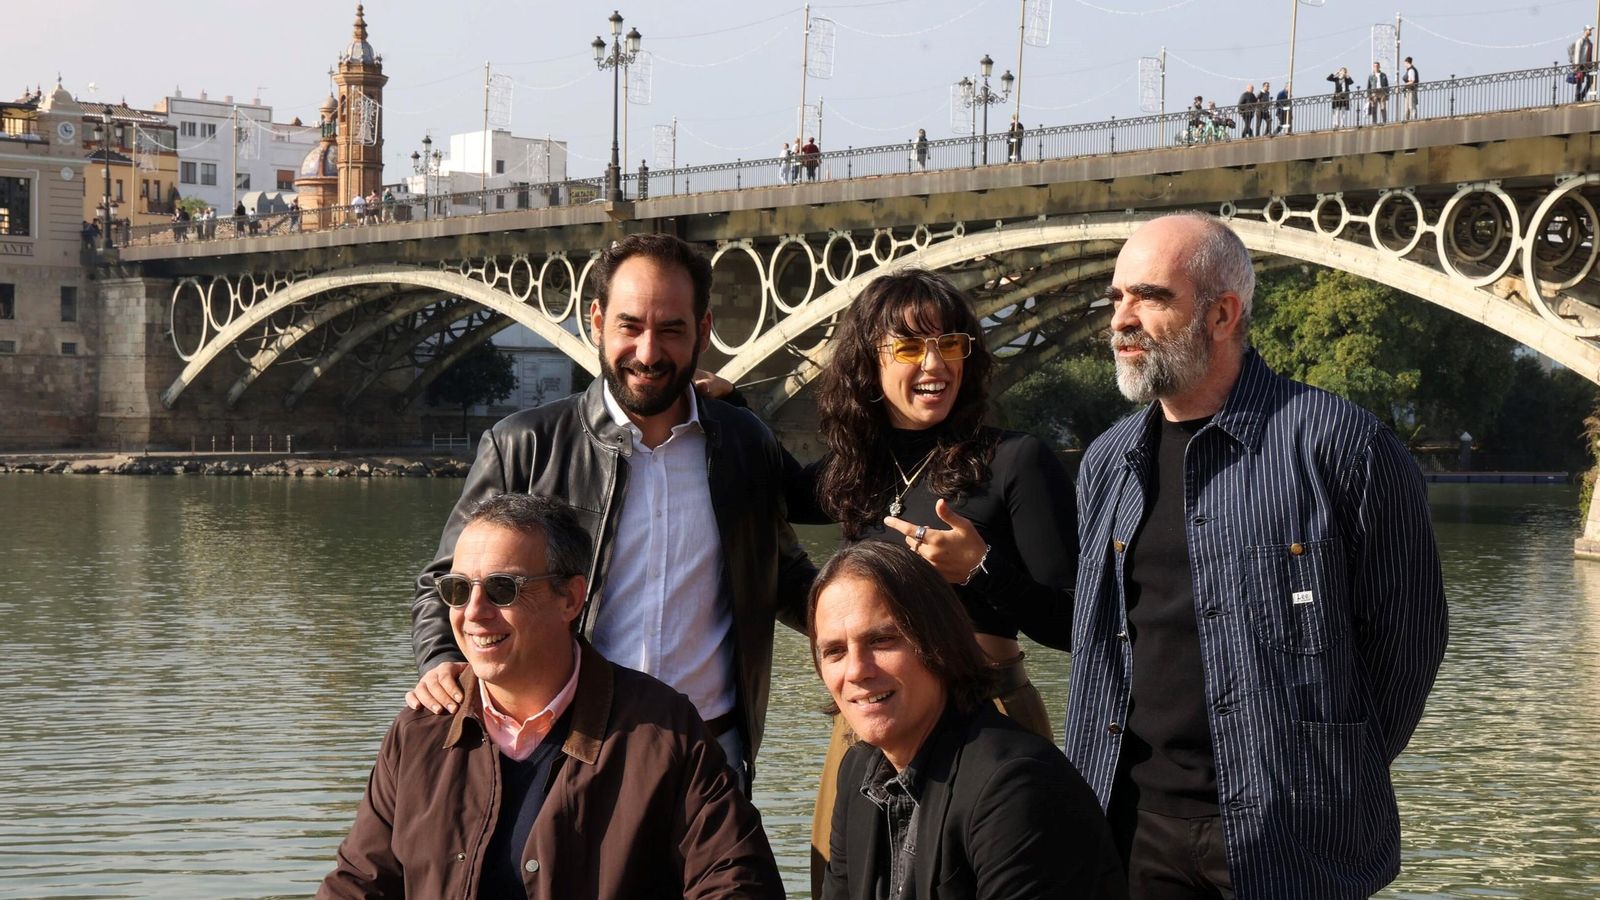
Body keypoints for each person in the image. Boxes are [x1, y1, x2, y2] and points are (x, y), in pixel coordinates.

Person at [1066, 212, 1448, 897]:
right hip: (1132, 828)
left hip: (1291, 835)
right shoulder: (1106, 462)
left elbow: (1408, 643)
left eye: (1150, 298)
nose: (1122, 319)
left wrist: (1325, 771)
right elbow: (1098, 647)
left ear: (1222, 315)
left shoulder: (1342, 446)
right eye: (1117, 297)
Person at [408, 232, 815, 791]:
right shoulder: (525, 445)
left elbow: (784, 576)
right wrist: (438, 661)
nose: (648, 353)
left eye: (671, 329)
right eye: (630, 326)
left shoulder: (746, 442)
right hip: (564, 748)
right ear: (596, 322)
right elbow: (445, 582)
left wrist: (890, 623)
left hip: (711, 755)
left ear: (703, 330)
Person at [319, 493, 784, 899]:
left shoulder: (663, 732)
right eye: (458, 589)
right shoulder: (421, 730)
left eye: (503, 588)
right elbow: (359, 882)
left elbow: (737, 882)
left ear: (571, 599)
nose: (473, 613)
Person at [794, 269, 1079, 893]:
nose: (935, 363)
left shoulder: (1015, 461)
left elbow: (1073, 624)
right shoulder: (855, 469)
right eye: (909, 347)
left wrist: (982, 568)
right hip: (867, 723)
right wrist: (722, 404)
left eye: (950, 344)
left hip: (986, 715)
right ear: (868, 362)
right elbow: (762, 488)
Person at [813, 542, 1124, 900]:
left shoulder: (1017, 787)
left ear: (939, 642)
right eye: (835, 651)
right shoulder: (858, 770)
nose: (855, 671)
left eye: (882, 640)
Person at [1572, 26, 1594, 102]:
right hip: (1581, 65)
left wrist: (1591, 64)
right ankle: (1577, 98)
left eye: (1591, 30)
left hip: (1588, 65)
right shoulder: (1581, 40)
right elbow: (1577, 53)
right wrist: (1577, 65)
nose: (1590, 31)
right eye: (1589, 30)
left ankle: (1581, 96)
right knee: (1579, 81)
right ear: (1585, 31)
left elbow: (1590, 54)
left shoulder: (1590, 43)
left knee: (1590, 80)